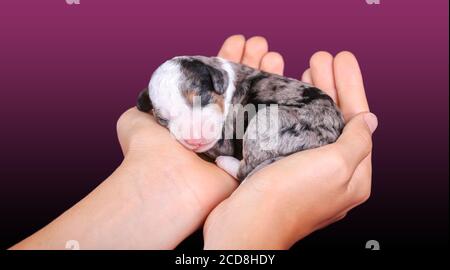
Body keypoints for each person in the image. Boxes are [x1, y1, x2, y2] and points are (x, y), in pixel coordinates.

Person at [10, 35, 377, 250]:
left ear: (218, 80)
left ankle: (249, 168)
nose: (190, 133)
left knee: (264, 124)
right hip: (286, 132)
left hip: (303, 120)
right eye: (169, 121)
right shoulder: (207, 98)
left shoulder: (232, 82)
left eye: (199, 104)